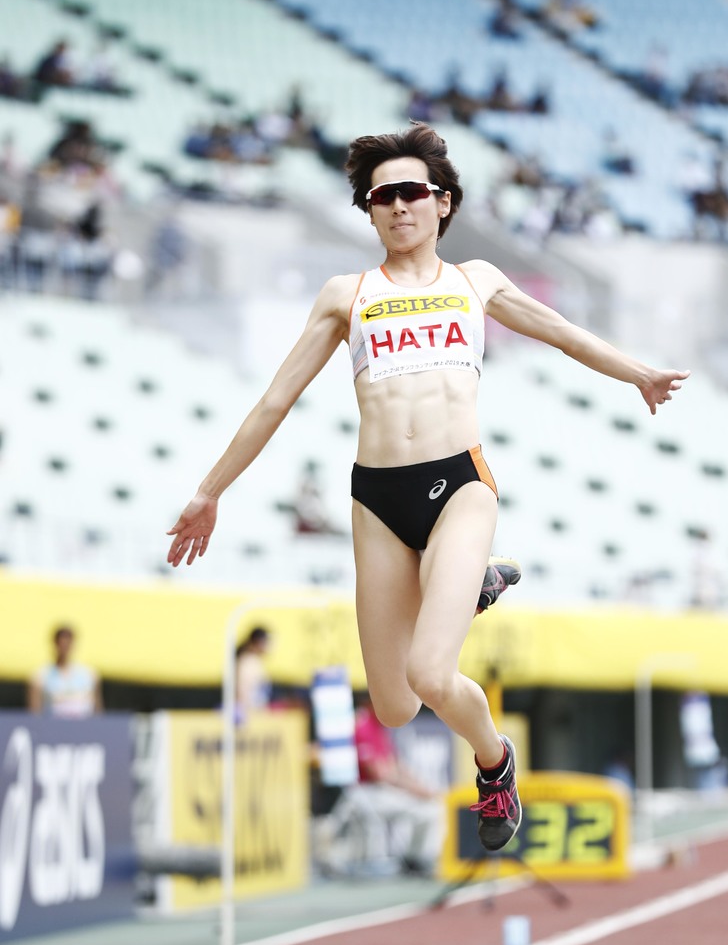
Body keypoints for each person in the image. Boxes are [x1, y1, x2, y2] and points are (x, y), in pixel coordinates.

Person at [166, 122, 689, 853]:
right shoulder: (347, 294)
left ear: (443, 203)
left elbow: (563, 333)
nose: (398, 206)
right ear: (369, 210)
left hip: (459, 486)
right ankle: (470, 587)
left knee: (432, 672)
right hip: (378, 498)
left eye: (413, 192)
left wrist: (638, 372)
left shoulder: (475, 281)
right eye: (382, 197)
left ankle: (494, 761)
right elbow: (275, 401)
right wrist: (209, 490)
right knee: (394, 704)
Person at [325, 695, 444, 875]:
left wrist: (421, 787)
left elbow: (395, 766)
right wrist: (415, 790)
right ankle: (413, 860)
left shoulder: (380, 725)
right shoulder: (362, 726)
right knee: (428, 809)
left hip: (381, 791)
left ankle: (415, 860)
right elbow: (379, 774)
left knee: (431, 809)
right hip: (366, 792)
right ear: (369, 701)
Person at [28, 625, 102, 717]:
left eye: (68, 643)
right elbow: (35, 713)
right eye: (61, 643)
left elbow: (98, 711)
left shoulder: (89, 674)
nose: (64, 647)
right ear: (55, 644)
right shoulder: (41, 676)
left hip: (83, 728)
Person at [234, 626, 271, 723]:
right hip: (248, 713)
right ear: (258, 643)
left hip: (255, 712)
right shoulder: (248, 662)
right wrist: (248, 712)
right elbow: (241, 690)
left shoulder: (255, 661)